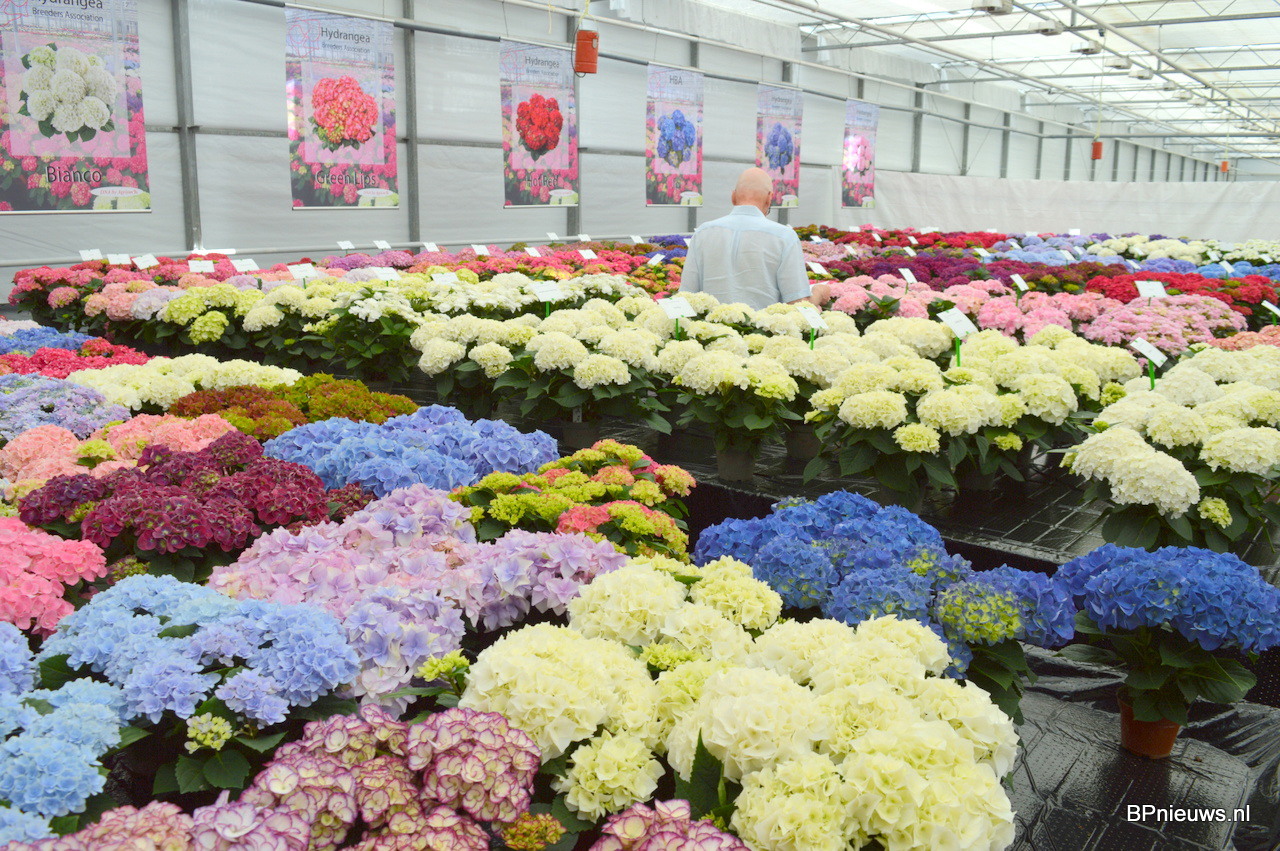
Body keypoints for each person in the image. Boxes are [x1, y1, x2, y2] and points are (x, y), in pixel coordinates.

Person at [679, 167, 831, 310]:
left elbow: (686, 297)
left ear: (733, 197)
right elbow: (797, 305)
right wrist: (818, 293)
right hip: (764, 328)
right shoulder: (784, 237)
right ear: (769, 198)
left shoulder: (703, 232)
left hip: (711, 328)